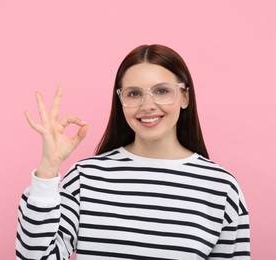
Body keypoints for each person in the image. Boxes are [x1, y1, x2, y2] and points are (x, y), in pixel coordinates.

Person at [16, 44, 250, 259]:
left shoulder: (221, 188)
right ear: (121, 101)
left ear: (185, 97)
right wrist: (47, 169)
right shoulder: (85, 178)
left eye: (161, 91)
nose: (147, 105)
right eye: (134, 93)